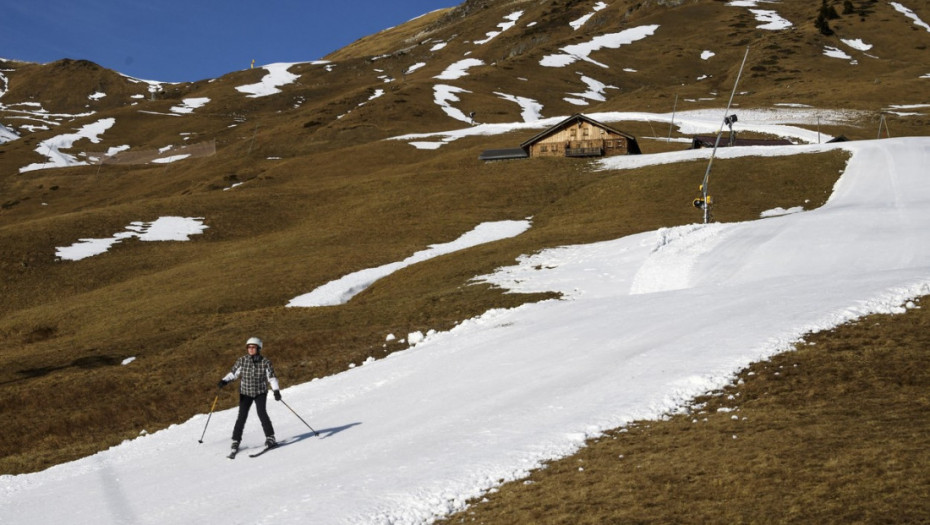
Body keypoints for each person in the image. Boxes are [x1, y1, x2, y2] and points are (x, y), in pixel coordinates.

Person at [218, 336, 282, 451]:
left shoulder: (265, 362)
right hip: (245, 393)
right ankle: (236, 440)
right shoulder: (242, 360)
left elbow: (271, 378)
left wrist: (276, 391)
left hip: (260, 392)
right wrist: (224, 380)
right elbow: (233, 373)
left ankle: (270, 438)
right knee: (242, 416)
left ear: (259, 348)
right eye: (249, 347)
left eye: (253, 347)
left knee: (262, 413)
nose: (251, 349)